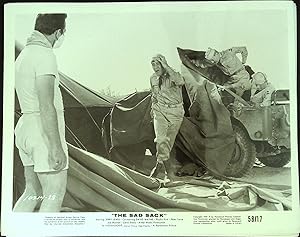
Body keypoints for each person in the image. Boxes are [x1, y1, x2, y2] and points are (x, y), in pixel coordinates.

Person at [14, 14, 68, 212]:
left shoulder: (24, 55)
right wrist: (55, 146)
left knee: (31, 191)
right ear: (57, 32)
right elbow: (46, 104)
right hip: (41, 132)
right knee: (55, 192)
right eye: (64, 32)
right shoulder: (45, 55)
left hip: (25, 128)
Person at [149, 54, 185, 182]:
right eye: (152, 64)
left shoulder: (173, 74)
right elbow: (154, 95)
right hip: (160, 110)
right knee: (160, 139)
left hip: (176, 112)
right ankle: (167, 172)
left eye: (157, 63)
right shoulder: (153, 78)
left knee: (168, 143)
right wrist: (153, 108)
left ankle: (159, 163)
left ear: (163, 64)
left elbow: (181, 81)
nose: (154, 67)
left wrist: (166, 66)